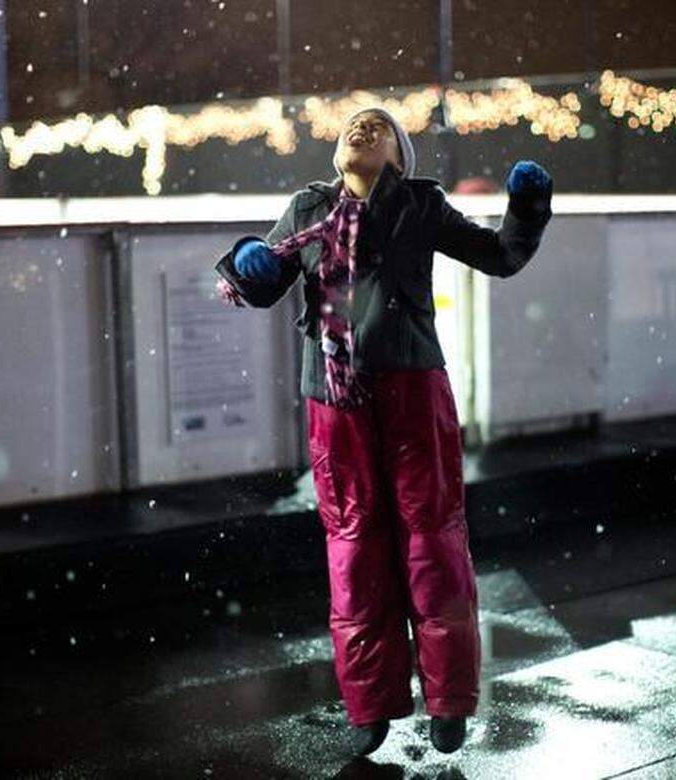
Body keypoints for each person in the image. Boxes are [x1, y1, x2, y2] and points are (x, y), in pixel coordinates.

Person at [214, 106, 553, 757]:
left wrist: (528, 208)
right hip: (334, 403)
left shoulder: (419, 208)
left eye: (378, 128)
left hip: (411, 389)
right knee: (353, 551)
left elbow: (502, 255)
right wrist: (247, 268)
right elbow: (264, 280)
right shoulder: (308, 210)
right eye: (354, 126)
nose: (360, 130)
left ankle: (449, 700)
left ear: (400, 158)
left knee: (433, 542)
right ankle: (369, 704)